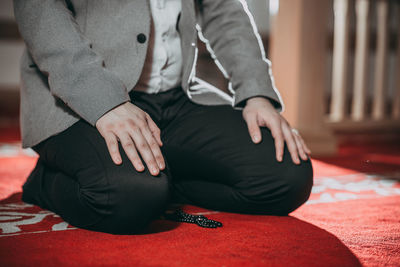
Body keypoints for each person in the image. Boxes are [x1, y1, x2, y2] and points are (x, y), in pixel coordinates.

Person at [14, 0, 313, 234]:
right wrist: (105, 102)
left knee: (288, 176)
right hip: (79, 101)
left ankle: (159, 178)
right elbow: (40, 9)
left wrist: (256, 93)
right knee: (128, 199)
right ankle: (45, 181)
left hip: (177, 97)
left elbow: (223, 9)